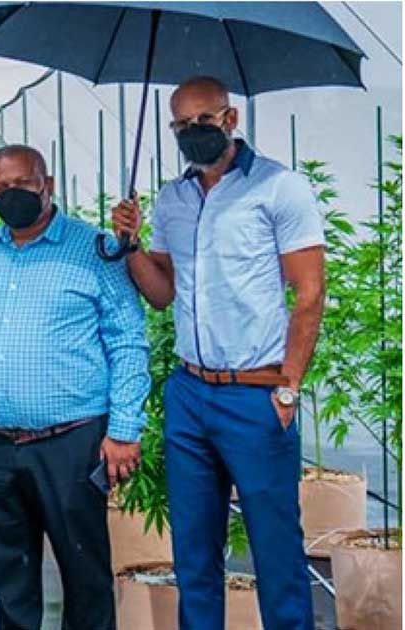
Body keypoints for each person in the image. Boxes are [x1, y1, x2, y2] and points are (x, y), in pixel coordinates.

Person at [112, 76, 324, 630]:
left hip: (256, 394)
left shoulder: (280, 189)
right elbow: (161, 294)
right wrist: (132, 246)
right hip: (190, 394)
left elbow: (310, 293)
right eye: (180, 126)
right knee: (194, 554)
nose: (190, 133)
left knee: (275, 550)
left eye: (201, 122)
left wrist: (289, 385)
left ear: (230, 120)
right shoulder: (173, 199)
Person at [0, 145, 150, 630]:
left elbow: (128, 341)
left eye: (21, 183)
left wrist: (124, 429)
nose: (9, 194)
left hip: (71, 444)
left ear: (48, 185)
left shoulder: (95, 249)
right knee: (10, 580)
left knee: (84, 578)